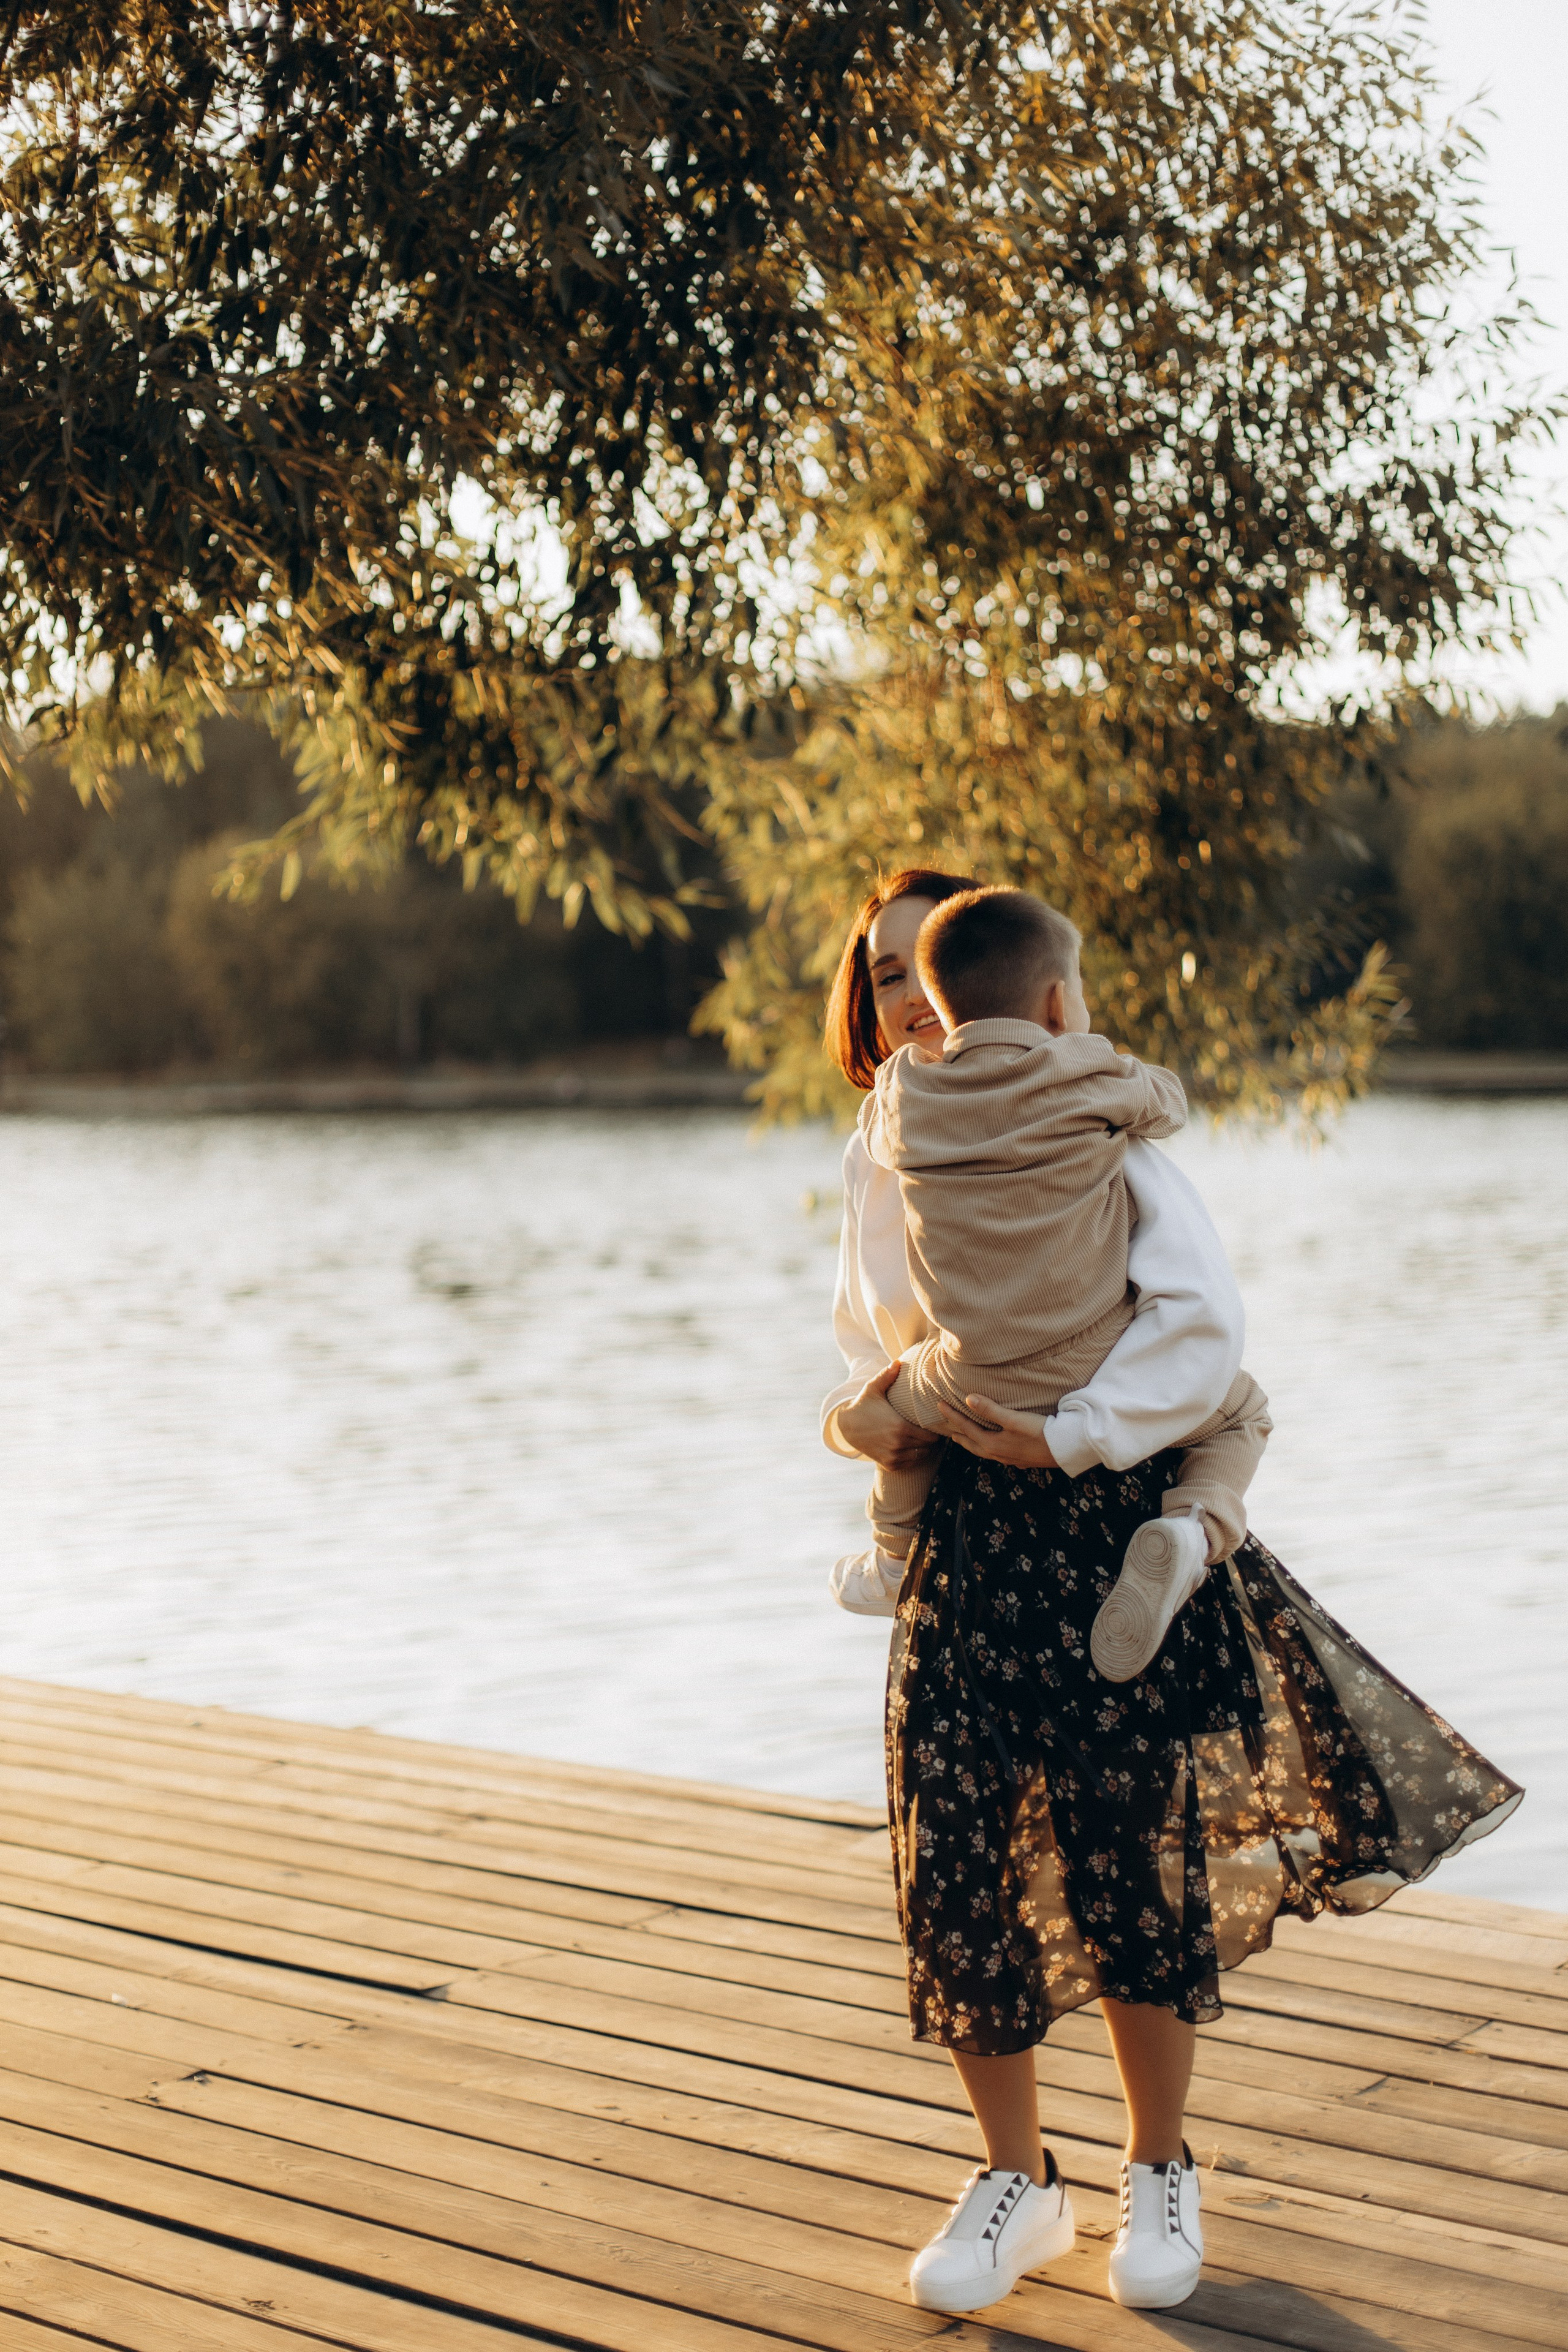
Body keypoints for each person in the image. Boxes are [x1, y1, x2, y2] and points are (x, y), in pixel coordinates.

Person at [821, 868, 1523, 2320]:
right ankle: (1016, 2180)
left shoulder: (1098, 1131)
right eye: (880, 976)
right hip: (966, 1532)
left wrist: (1074, 1434)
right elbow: (876, 1337)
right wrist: (887, 1413)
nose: (902, 996)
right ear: (869, 1003)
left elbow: (1197, 1333)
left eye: (918, 971)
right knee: (955, 1853)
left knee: (1122, 1856)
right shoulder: (886, 1148)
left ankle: (1156, 2166)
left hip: (1098, 1532)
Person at [851, 884, 1273, 1683]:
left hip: (965, 1380)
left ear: (941, 1001)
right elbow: (1167, 1102)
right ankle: (1189, 1529)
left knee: (898, 1382)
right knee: (1242, 1411)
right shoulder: (1085, 1076)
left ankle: (890, 1553)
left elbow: (876, 1130)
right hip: (1092, 1362)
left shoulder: (905, 1095)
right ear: (1056, 1001)